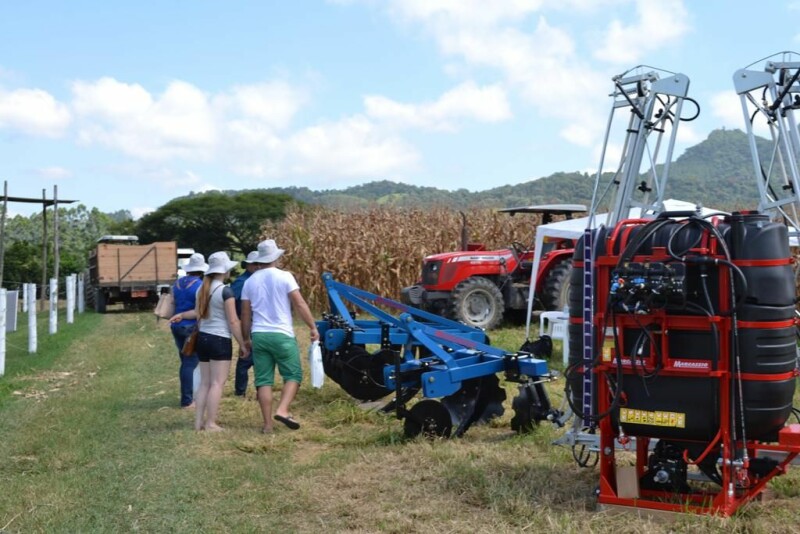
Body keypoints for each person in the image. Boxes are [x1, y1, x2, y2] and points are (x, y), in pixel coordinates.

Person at [241, 239, 319, 433]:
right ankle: (283, 409)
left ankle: (267, 425)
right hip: (282, 334)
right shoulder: (285, 277)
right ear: (276, 257)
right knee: (293, 375)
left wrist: (245, 339)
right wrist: (312, 326)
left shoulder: (249, 281)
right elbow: (299, 304)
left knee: (263, 380)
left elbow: (245, 314)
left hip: (259, 334)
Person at [171, 251, 248, 431]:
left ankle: (198, 422)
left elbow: (197, 313)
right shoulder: (225, 291)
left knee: (205, 382)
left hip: (202, 339)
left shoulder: (201, 289)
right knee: (217, 383)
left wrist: (181, 315)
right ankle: (211, 422)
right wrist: (243, 343)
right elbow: (233, 321)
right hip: (220, 339)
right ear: (224, 270)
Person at [169, 253, 207, 408]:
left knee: (185, 361)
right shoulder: (200, 285)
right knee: (190, 362)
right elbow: (199, 311)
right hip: (190, 326)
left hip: (176, 326)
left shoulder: (177, 284)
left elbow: (172, 303)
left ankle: (189, 395)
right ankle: (187, 400)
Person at [230, 250, 260, 397]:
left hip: (256, 322)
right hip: (247, 322)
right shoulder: (241, 282)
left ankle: (243, 390)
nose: (257, 266)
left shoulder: (253, 280)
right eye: (254, 264)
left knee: (252, 355)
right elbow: (233, 303)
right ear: (247, 265)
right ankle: (240, 390)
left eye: (258, 263)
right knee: (246, 356)